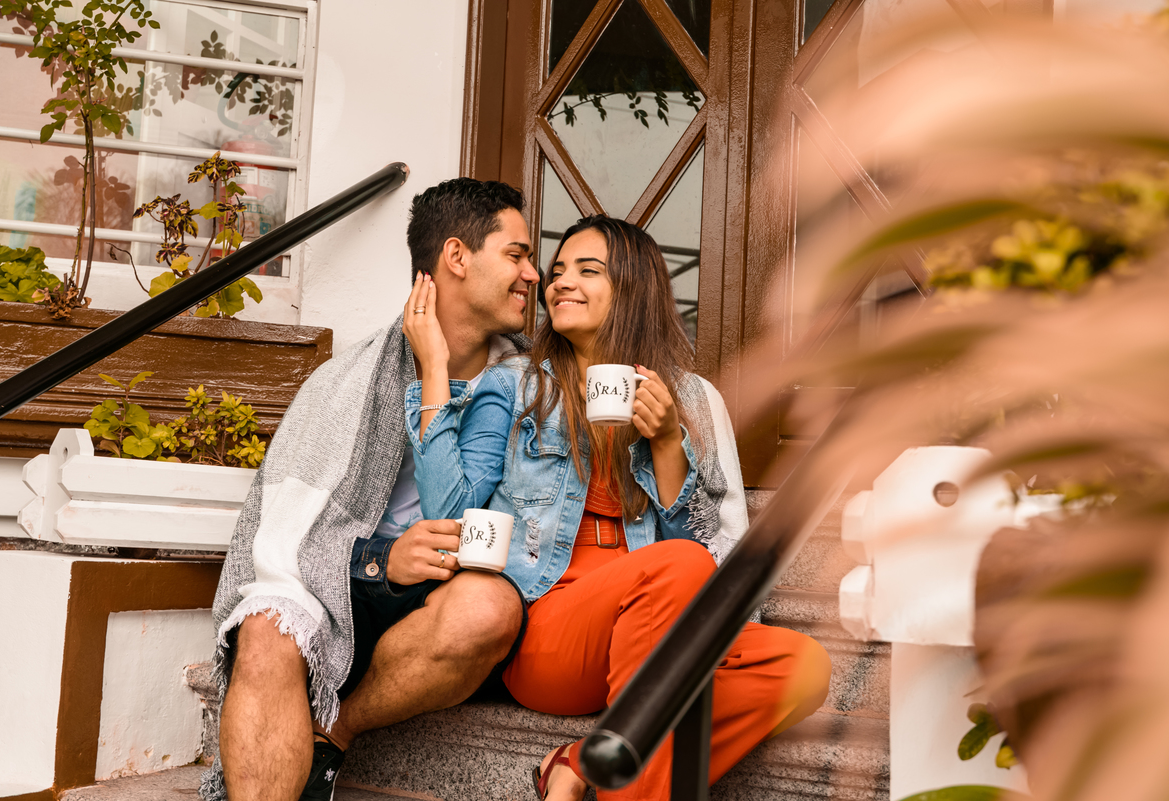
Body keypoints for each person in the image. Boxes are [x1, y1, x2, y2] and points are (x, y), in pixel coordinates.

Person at [403, 215, 832, 800]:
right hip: (548, 629)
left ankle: (583, 762)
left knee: (801, 664)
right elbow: (451, 508)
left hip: (651, 631)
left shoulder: (688, 399)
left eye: (588, 270)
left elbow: (709, 548)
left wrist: (665, 443)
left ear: (632, 287)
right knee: (675, 565)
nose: (560, 283)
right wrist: (434, 370)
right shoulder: (514, 386)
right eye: (556, 272)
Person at [200, 178, 541, 801]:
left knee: (487, 611)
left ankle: (336, 728)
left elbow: (482, 523)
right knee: (267, 628)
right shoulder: (345, 381)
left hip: (445, 598)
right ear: (457, 258)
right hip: (351, 580)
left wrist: (435, 373)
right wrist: (385, 560)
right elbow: (290, 544)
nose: (534, 275)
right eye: (517, 254)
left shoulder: (528, 388)